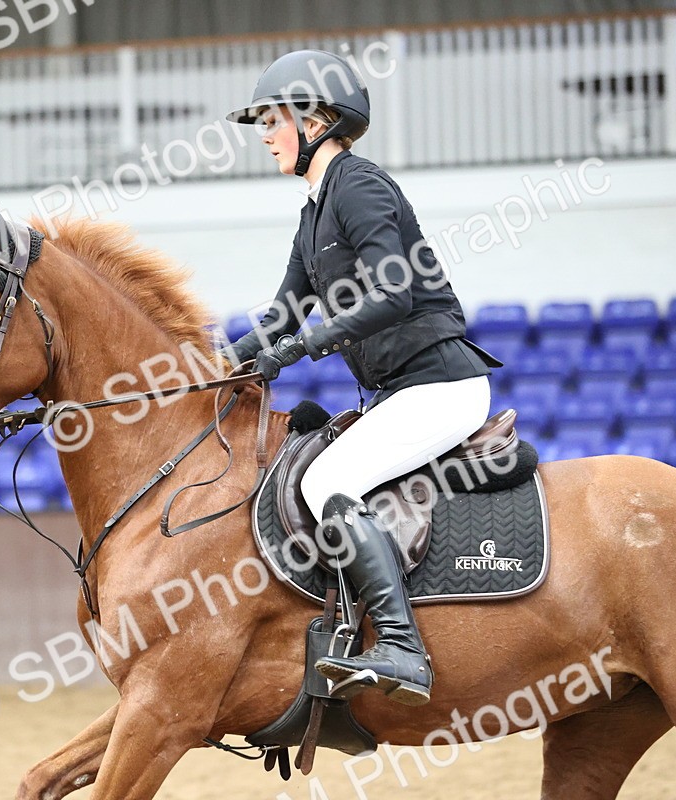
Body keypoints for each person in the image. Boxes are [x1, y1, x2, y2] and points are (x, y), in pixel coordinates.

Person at [221, 50, 501, 706]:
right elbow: (283, 312)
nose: (264, 135)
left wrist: (300, 348)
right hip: (401, 393)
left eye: (273, 120)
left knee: (327, 481)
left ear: (315, 121)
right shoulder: (313, 211)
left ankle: (401, 646)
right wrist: (216, 365)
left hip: (439, 385)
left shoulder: (359, 186)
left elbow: (392, 295)